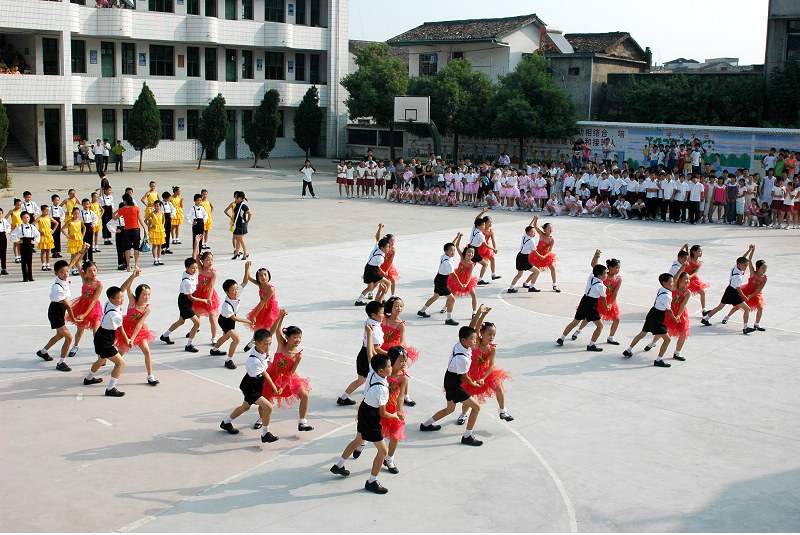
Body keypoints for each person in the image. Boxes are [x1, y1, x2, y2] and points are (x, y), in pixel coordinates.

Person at [330, 340, 399, 494]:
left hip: (363, 410)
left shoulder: (373, 371)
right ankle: (372, 481)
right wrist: (394, 416)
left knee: (358, 440)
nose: (391, 367)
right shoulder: (381, 389)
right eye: (389, 366)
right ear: (381, 370)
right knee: (383, 451)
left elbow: (370, 354)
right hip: (371, 416)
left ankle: (339, 465)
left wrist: (369, 335)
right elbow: (383, 413)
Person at [419, 325, 485, 446]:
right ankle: (467, 436)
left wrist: (480, 314)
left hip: (449, 380)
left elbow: (470, 326)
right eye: (472, 338)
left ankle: (425, 425)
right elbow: (465, 377)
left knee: (450, 409)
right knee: (476, 408)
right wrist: (475, 384)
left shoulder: (460, 345)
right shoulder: (462, 359)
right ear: (463, 340)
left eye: (475, 338)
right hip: (454, 385)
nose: (475, 341)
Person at [253, 309, 314, 432]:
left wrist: (283, 385)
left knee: (305, 394)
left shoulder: (298, 355)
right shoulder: (282, 344)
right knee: (265, 399)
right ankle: (261, 418)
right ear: (287, 337)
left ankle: (302, 422)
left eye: (300, 338)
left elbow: (291, 373)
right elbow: (277, 329)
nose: (298, 340)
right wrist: (281, 316)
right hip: (272, 375)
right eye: (295, 337)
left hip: (288, 379)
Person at [82, 270, 140, 396]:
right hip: (105, 340)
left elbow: (122, 288)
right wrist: (127, 341)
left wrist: (133, 276)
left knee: (101, 360)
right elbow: (121, 329)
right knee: (120, 363)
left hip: (100, 336)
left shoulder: (109, 303)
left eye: (122, 297)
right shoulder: (114, 314)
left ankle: (88, 378)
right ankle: (110, 389)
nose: (121, 300)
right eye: (119, 298)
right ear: (111, 299)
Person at [218, 328, 280, 444]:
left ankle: (226, 423)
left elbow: (271, 331)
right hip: (250, 386)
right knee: (268, 407)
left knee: (245, 407)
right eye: (265, 344)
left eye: (270, 344)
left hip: (256, 384)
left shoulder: (262, 351)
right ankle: (265, 434)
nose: (268, 347)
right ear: (256, 343)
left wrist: (279, 318)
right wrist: (274, 387)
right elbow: (265, 374)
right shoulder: (253, 361)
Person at [457, 306, 514, 424]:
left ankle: (502, 411)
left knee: (498, 387)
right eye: (489, 334)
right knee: (469, 395)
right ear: (482, 333)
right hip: (472, 373)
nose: (492, 337)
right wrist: (482, 315)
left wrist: (483, 378)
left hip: (486, 374)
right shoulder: (476, 342)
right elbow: (476, 328)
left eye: (494, 335)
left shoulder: (492, 349)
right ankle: (463, 414)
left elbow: (491, 365)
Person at [114, 269, 159, 385]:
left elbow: (139, 325)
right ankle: (115, 363)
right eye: (144, 294)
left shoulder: (147, 308)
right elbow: (127, 287)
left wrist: (132, 339)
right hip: (125, 328)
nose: (147, 297)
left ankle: (150, 376)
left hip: (138, 331)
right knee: (122, 351)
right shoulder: (132, 301)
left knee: (147, 351)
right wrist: (134, 275)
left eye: (149, 294)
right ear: (139, 294)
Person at [622, 273, 678, 367]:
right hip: (658, 317)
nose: (673, 283)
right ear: (664, 283)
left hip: (652, 313)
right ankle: (658, 360)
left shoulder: (661, 290)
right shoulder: (667, 296)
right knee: (667, 339)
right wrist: (675, 319)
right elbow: (669, 310)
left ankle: (628, 350)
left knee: (642, 333)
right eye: (671, 282)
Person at [337, 300, 386, 406]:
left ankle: (343, 397)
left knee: (361, 379)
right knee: (362, 380)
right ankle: (343, 398)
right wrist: (388, 353)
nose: (383, 315)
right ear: (373, 314)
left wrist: (381, 293)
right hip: (367, 356)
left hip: (363, 353)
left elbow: (375, 304)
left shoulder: (369, 320)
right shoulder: (375, 330)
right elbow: (376, 349)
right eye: (381, 313)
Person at [556, 257, 609, 352]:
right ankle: (591, 345)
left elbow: (594, 265)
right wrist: (606, 306)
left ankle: (562, 338)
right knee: (600, 326)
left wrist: (596, 255)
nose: (606, 275)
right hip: (591, 304)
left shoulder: (591, 277)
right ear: (600, 276)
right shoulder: (601, 286)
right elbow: (603, 298)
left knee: (575, 322)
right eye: (605, 273)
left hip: (584, 301)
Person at [160, 246, 206, 352]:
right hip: (185, 301)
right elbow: (190, 297)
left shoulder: (189, 273)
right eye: (192, 268)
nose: (194, 270)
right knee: (197, 323)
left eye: (195, 268)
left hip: (187, 299)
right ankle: (189, 345)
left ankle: (165, 335)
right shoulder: (186, 282)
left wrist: (196, 243)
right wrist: (203, 300)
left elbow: (194, 257)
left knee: (181, 321)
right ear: (186, 268)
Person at [701, 245, 756, 334]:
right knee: (747, 309)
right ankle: (745, 328)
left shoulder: (735, 268)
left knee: (720, 307)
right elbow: (738, 290)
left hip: (729, 290)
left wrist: (749, 250)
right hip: (734, 293)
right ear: (739, 265)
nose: (746, 267)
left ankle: (706, 319)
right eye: (745, 265)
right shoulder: (737, 277)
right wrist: (745, 298)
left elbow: (743, 258)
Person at [572, 256, 622, 346]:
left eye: (619, 268)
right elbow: (594, 265)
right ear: (610, 268)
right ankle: (578, 330)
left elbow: (615, 292)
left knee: (616, 319)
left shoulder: (618, 279)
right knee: (588, 318)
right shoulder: (603, 274)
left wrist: (611, 303)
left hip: (610, 301)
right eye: (616, 268)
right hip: (599, 300)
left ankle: (611, 337)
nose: (618, 270)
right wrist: (597, 255)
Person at [380, 297, 418, 406]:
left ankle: (406, 395)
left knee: (402, 371)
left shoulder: (401, 324)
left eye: (401, 306)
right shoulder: (384, 318)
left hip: (396, 351)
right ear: (390, 307)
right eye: (396, 306)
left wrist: (395, 351)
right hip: (383, 349)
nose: (399, 308)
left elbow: (402, 341)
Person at [417, 234, 462, 326]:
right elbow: (454, 275)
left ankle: (422, 311)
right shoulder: (448, 262)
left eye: (454, 250)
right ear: (446, 251)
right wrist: (461, 284)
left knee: (435, 296)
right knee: (452, 299)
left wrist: (457, 237)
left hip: (438, 278)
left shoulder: (444, 256)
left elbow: (451, 245)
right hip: (441, 282)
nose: (453, 252)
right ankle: (449, 319)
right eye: (451, 251)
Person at [210, 278, 253, 368]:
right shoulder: (226, 305)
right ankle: (229, 360)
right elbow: (234, 318)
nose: (236, 291)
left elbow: (244, 282)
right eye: (233, 290)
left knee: (226, 337)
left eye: (237, 289)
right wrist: (248, 321)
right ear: (227, 292)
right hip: (225, 321)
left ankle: (214, 350)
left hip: (230, 319)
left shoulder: (236, 295)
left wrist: (247, 269)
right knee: (236, 339)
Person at [242, 261, 280, 350]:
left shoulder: (270, 289)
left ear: (269, 276)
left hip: (270, 311)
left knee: (266, 331)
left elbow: (263, 302)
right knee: (257, 327)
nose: (263, 277)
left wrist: (255, 315)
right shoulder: (260, 285)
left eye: (265, 275)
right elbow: (248, 278)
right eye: (261, 275)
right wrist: (246, 269)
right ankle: (253, 340)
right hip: (262, 308)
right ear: (258, 278)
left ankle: (265, 352)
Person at [730, 248, 767, 332]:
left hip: (756, 294)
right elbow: (749, 260)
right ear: (757, 268)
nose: (764, 270)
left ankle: (757, 324)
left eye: (765, 269)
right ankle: (727, 316)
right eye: (763, 268)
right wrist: (752, 250)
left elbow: (759, 289)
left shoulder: (764, 278)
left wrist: (752, 295)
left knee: (760, 307)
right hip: (747, 291)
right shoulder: (752, 272)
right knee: (738, 306)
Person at [191, 245, 220, 345]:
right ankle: (195, 329)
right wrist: (196, 242)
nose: (210, 262)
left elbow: (211, 287)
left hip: (209, 296)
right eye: (207, 260)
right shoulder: (200, 268)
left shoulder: (213, 273)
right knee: (197, 315)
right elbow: (194, 257)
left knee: (212, 317)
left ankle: (214, 337)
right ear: (202, 261)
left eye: (211, 260)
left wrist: (208, 299)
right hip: (199, 295)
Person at [355, 226, 391, 306]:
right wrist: (383, 272)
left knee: (370, 288)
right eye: (387, 247)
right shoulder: (380, 258)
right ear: (382, 248)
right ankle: (383, 299)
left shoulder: (376, 247)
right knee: (387, 283)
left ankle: (358, 301)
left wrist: (380, 228)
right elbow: (378, 267)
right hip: (372, 271)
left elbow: (377, 238)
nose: (389, 248)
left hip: (367, 268)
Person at [112, 193, 146, 272]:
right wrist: (144, 228)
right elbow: (140, 219)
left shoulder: (122, 209)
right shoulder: (136, 208)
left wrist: (118, 210)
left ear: (124, 201)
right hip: (136, 229)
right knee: (136, 248)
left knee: (127, 248)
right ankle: (136, 265)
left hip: (126, 230)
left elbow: (114, 217)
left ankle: (128, 266)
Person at [508, 218, 542, 293]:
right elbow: (534, 251)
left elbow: (529, 226)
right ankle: (531, 287)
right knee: (537, 271)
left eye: (534, 232)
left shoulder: (524, 236)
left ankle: (511, 288)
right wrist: (540, 256)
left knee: (519, 274)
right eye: (532, 232)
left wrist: (533, 219)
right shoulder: (531, 241)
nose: (534, 233)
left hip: (519, 256)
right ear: (528, 233)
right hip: (524, 258)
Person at [528, 216, 560, 292]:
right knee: (536, 270)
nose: (550, 229)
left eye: (551, 228)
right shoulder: (541, 235)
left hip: (546, 255)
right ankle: (526, 282)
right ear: (545, 229)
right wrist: (536, 219)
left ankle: (554, 284)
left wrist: (544, 256)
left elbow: (550, 250)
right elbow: (535, 226)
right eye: (549, 228)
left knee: (552, 268)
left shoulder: (551, 239)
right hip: (537, 254)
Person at [447, 243, 479, 318]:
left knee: (473, 294)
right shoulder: (462, 258)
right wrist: (459, 237)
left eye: (472, 253)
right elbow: (457, 246)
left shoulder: (471, 265)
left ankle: (474, 312)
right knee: (452, 294)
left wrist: (466, 284)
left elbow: (470, 275)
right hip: (457, 278)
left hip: (467, 280)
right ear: (465, 252)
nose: (470, 254)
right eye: (469, 252)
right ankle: (446, 306)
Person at [35, 205, 57, 271]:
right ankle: (43, 264)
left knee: (48, 250)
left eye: (48, 211)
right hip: (43, 235)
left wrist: (53, 230)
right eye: (46, 211)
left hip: (48, 235)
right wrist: (38, 232)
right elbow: (32, 224)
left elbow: (56, 223)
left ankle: (48, 263)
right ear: (42, 211)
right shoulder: (39, 218)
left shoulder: (49, 217)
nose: (47, 212)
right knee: (43, 251)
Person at [230, 191, 251, 260]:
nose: (234, 198)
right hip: (237, 223)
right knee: (237, 238)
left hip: (241, 224)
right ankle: (236, 253)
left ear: (240, 198)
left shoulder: (243, 205)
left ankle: (245, 253)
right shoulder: (237, 204)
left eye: (236, 197)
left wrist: (247, 221)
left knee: (240, 239)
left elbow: (250, 213)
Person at [145, 200, 166, 265]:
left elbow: (163, 220)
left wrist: (162, 225)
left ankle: (159, 258)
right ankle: (155, 259)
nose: (156, 207)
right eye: (155, 206)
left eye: (158, 206)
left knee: (160, 245)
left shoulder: (162, 213)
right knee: (154, 245)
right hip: (154, 230)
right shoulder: (152, 213)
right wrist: (150, 226)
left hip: (160, 230)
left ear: (160, 206)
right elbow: (145, 220)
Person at [160, 191, 173, 255]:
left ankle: (167, 247)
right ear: (165, 198)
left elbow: (173, 210)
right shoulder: (161, 204)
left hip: (168, 217)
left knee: (168, 232)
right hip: (163, 218)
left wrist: (172, 215)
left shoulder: (169, 203)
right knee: (163, 233)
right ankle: (162, 248)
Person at [0, 207, 9, 275]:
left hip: (3, 236)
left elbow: (8, 226)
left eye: (0, 214)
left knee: (3, 252)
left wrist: (6, 231)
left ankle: (4, 268)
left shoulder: (4, 220)